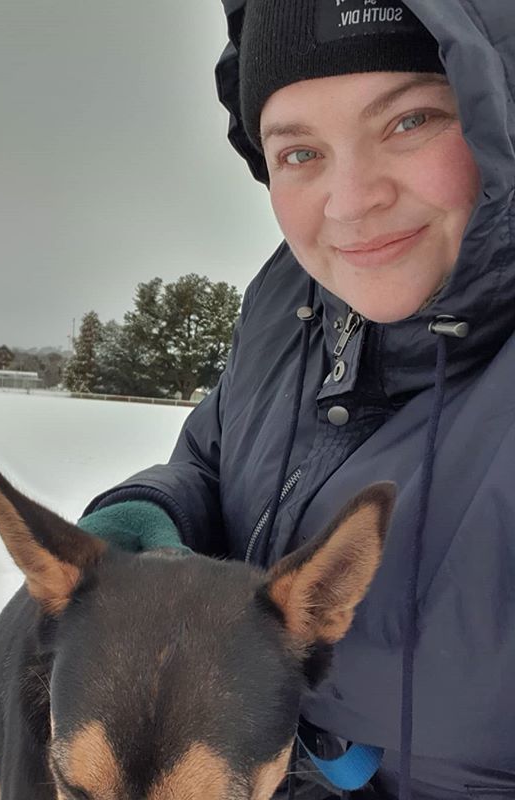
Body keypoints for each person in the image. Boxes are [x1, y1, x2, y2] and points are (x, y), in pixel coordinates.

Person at [79, 1, 515, 797]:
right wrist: (145, 518)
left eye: (410, 119)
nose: (350, 202)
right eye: (300, 152)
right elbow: (215, 460)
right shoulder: (292, 301)